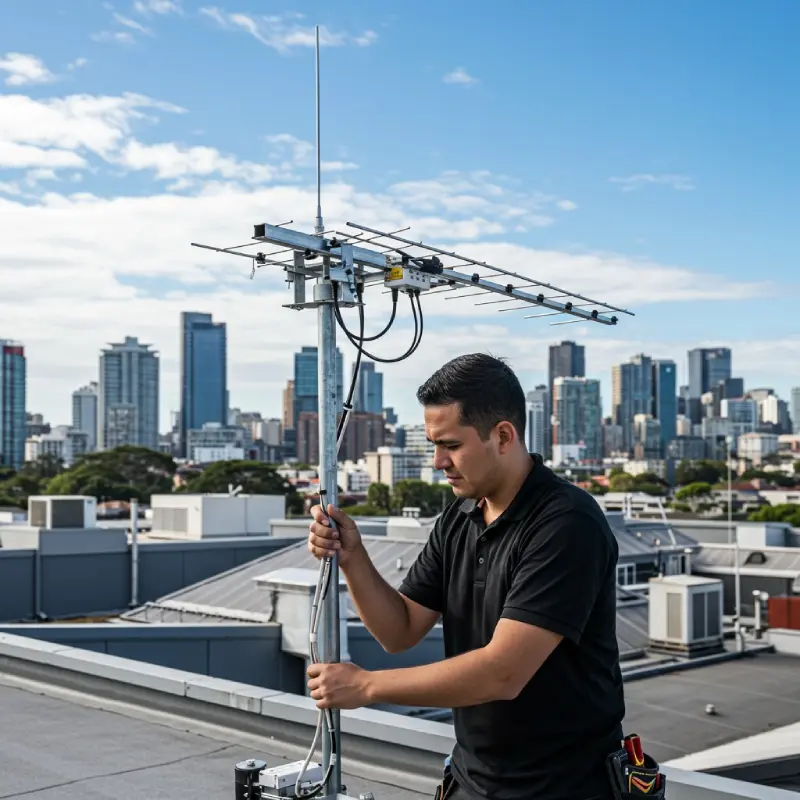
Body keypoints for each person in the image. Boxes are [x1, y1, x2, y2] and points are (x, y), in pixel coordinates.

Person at [306, 353, 625, 800]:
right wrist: (353, 557)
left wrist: (366, 685)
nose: (439, 461)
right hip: (472, 781)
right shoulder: (459, 516)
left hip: (565, 787)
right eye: (434, 445)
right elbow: (399, 631)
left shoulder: (566, 523)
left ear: (503, 436)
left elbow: (503, 672)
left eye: (451, 445)